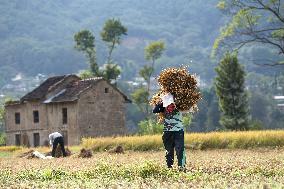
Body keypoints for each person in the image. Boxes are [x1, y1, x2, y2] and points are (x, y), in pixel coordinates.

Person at [153, 93, 186, 171]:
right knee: (169, 150)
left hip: (178, 131)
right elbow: (155, 110)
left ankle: (182, 167)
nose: (170, 108)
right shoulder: (163, 105)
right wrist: (160, 102)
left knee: (180, 149)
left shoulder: (179, 104)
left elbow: (187, 107)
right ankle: (169, 167)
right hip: (167, 132)